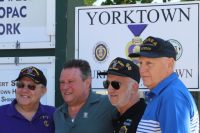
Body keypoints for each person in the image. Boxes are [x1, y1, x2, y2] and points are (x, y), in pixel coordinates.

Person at [129, 36, 199, 133]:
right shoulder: (163, 93)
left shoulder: (172, 97)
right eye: (141, 63)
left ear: (169, 64)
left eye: (149, 63)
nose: (142, 70)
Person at [54, 59, 116, 133]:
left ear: (87, 82)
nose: (65, 87)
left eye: (70, 82)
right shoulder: (58, 114)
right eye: (62, 82)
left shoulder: (108, 104)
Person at [0, 66, 56, 133]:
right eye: (20, 85)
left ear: (43, 91)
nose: (24, 90)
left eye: (31, 86)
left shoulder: (55, 115)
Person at [99, 57, 146, 133]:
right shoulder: (113, 115)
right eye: (106, 84)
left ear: (134, 88)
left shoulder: (145, 118)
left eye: (116, 84)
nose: (110, 89)